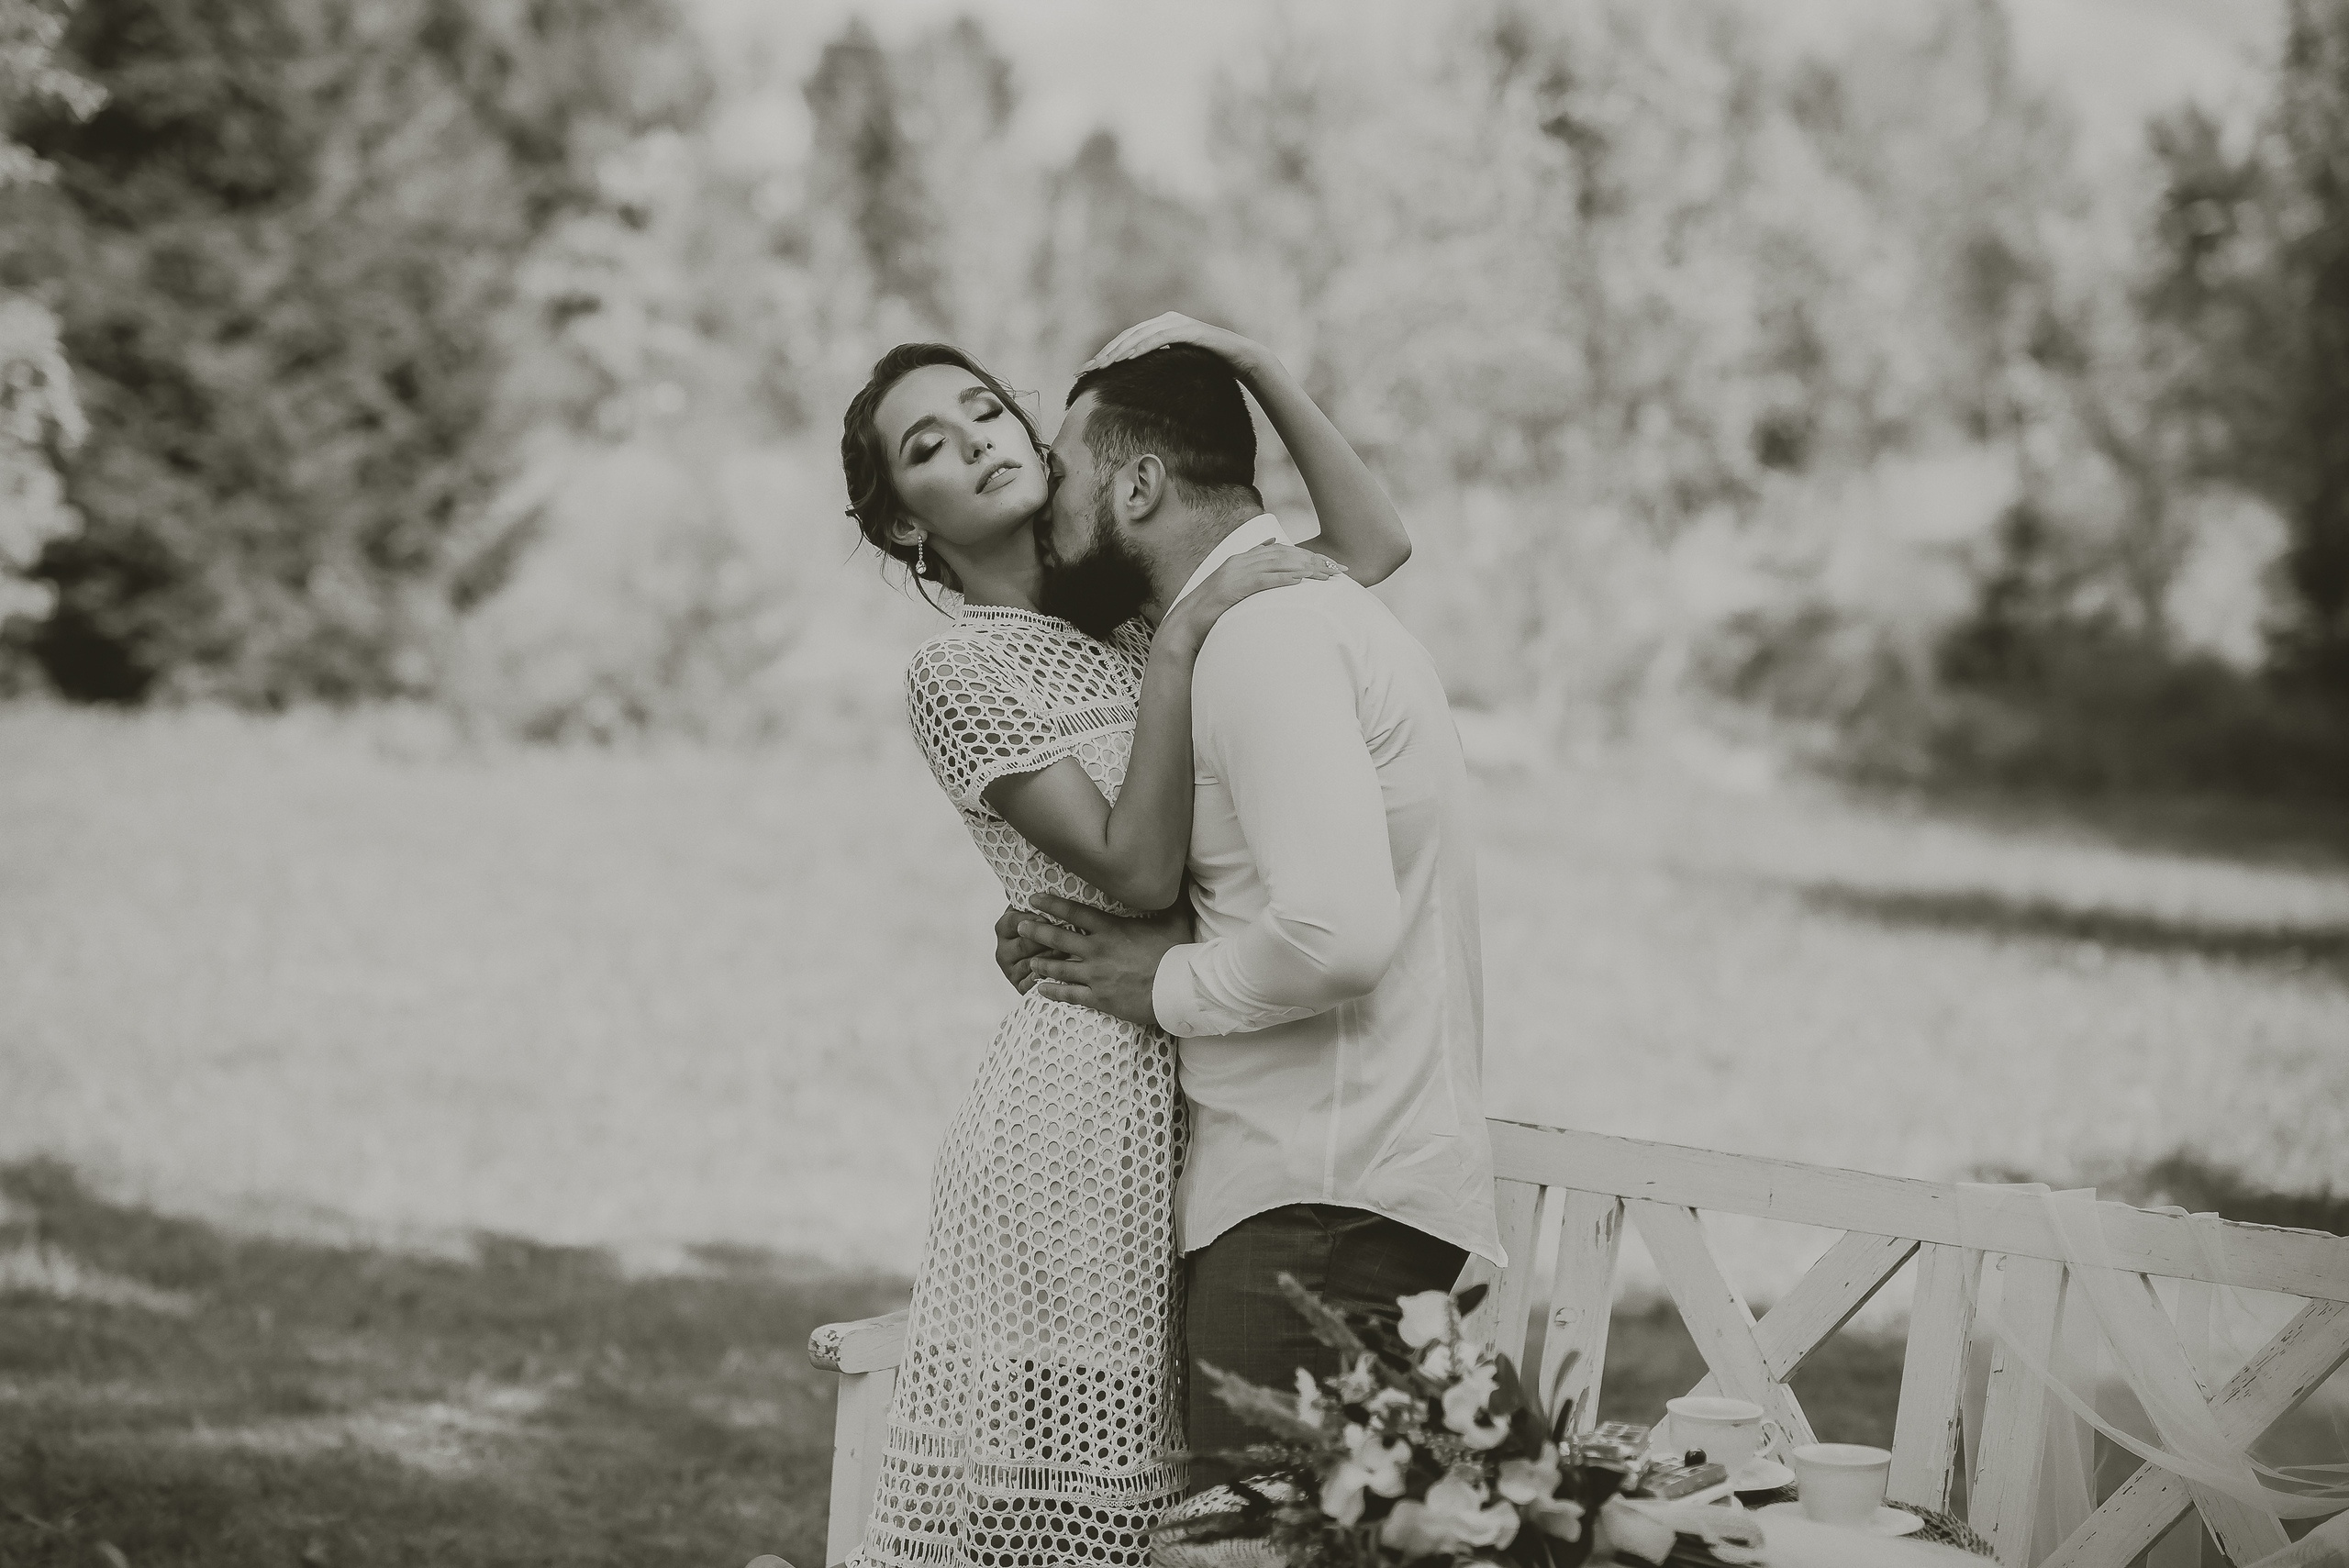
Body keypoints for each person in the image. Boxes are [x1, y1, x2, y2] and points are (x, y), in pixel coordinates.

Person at [836, 317, 1416, 1568]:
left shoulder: (1136, 610)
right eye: (928, 447)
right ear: (904, 523)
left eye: (987, 410)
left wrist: (1252, 371)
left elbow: (1373, 545)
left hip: (1207, 1068)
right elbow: (1139, 868)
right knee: (1065, 1499)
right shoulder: (961, 671)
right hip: (1083, 1102)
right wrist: (1193, 639)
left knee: (1181, 1496)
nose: (977, 444)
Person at [996, 320, 1504, 1490]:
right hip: (1332, 1204)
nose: (1044, 505)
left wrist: (1157, 982)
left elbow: (1336, 935)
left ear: (1137, 481)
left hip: (1315, 1214)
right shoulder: (1276, 612)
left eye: (1062, 474)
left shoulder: (1266, 633)